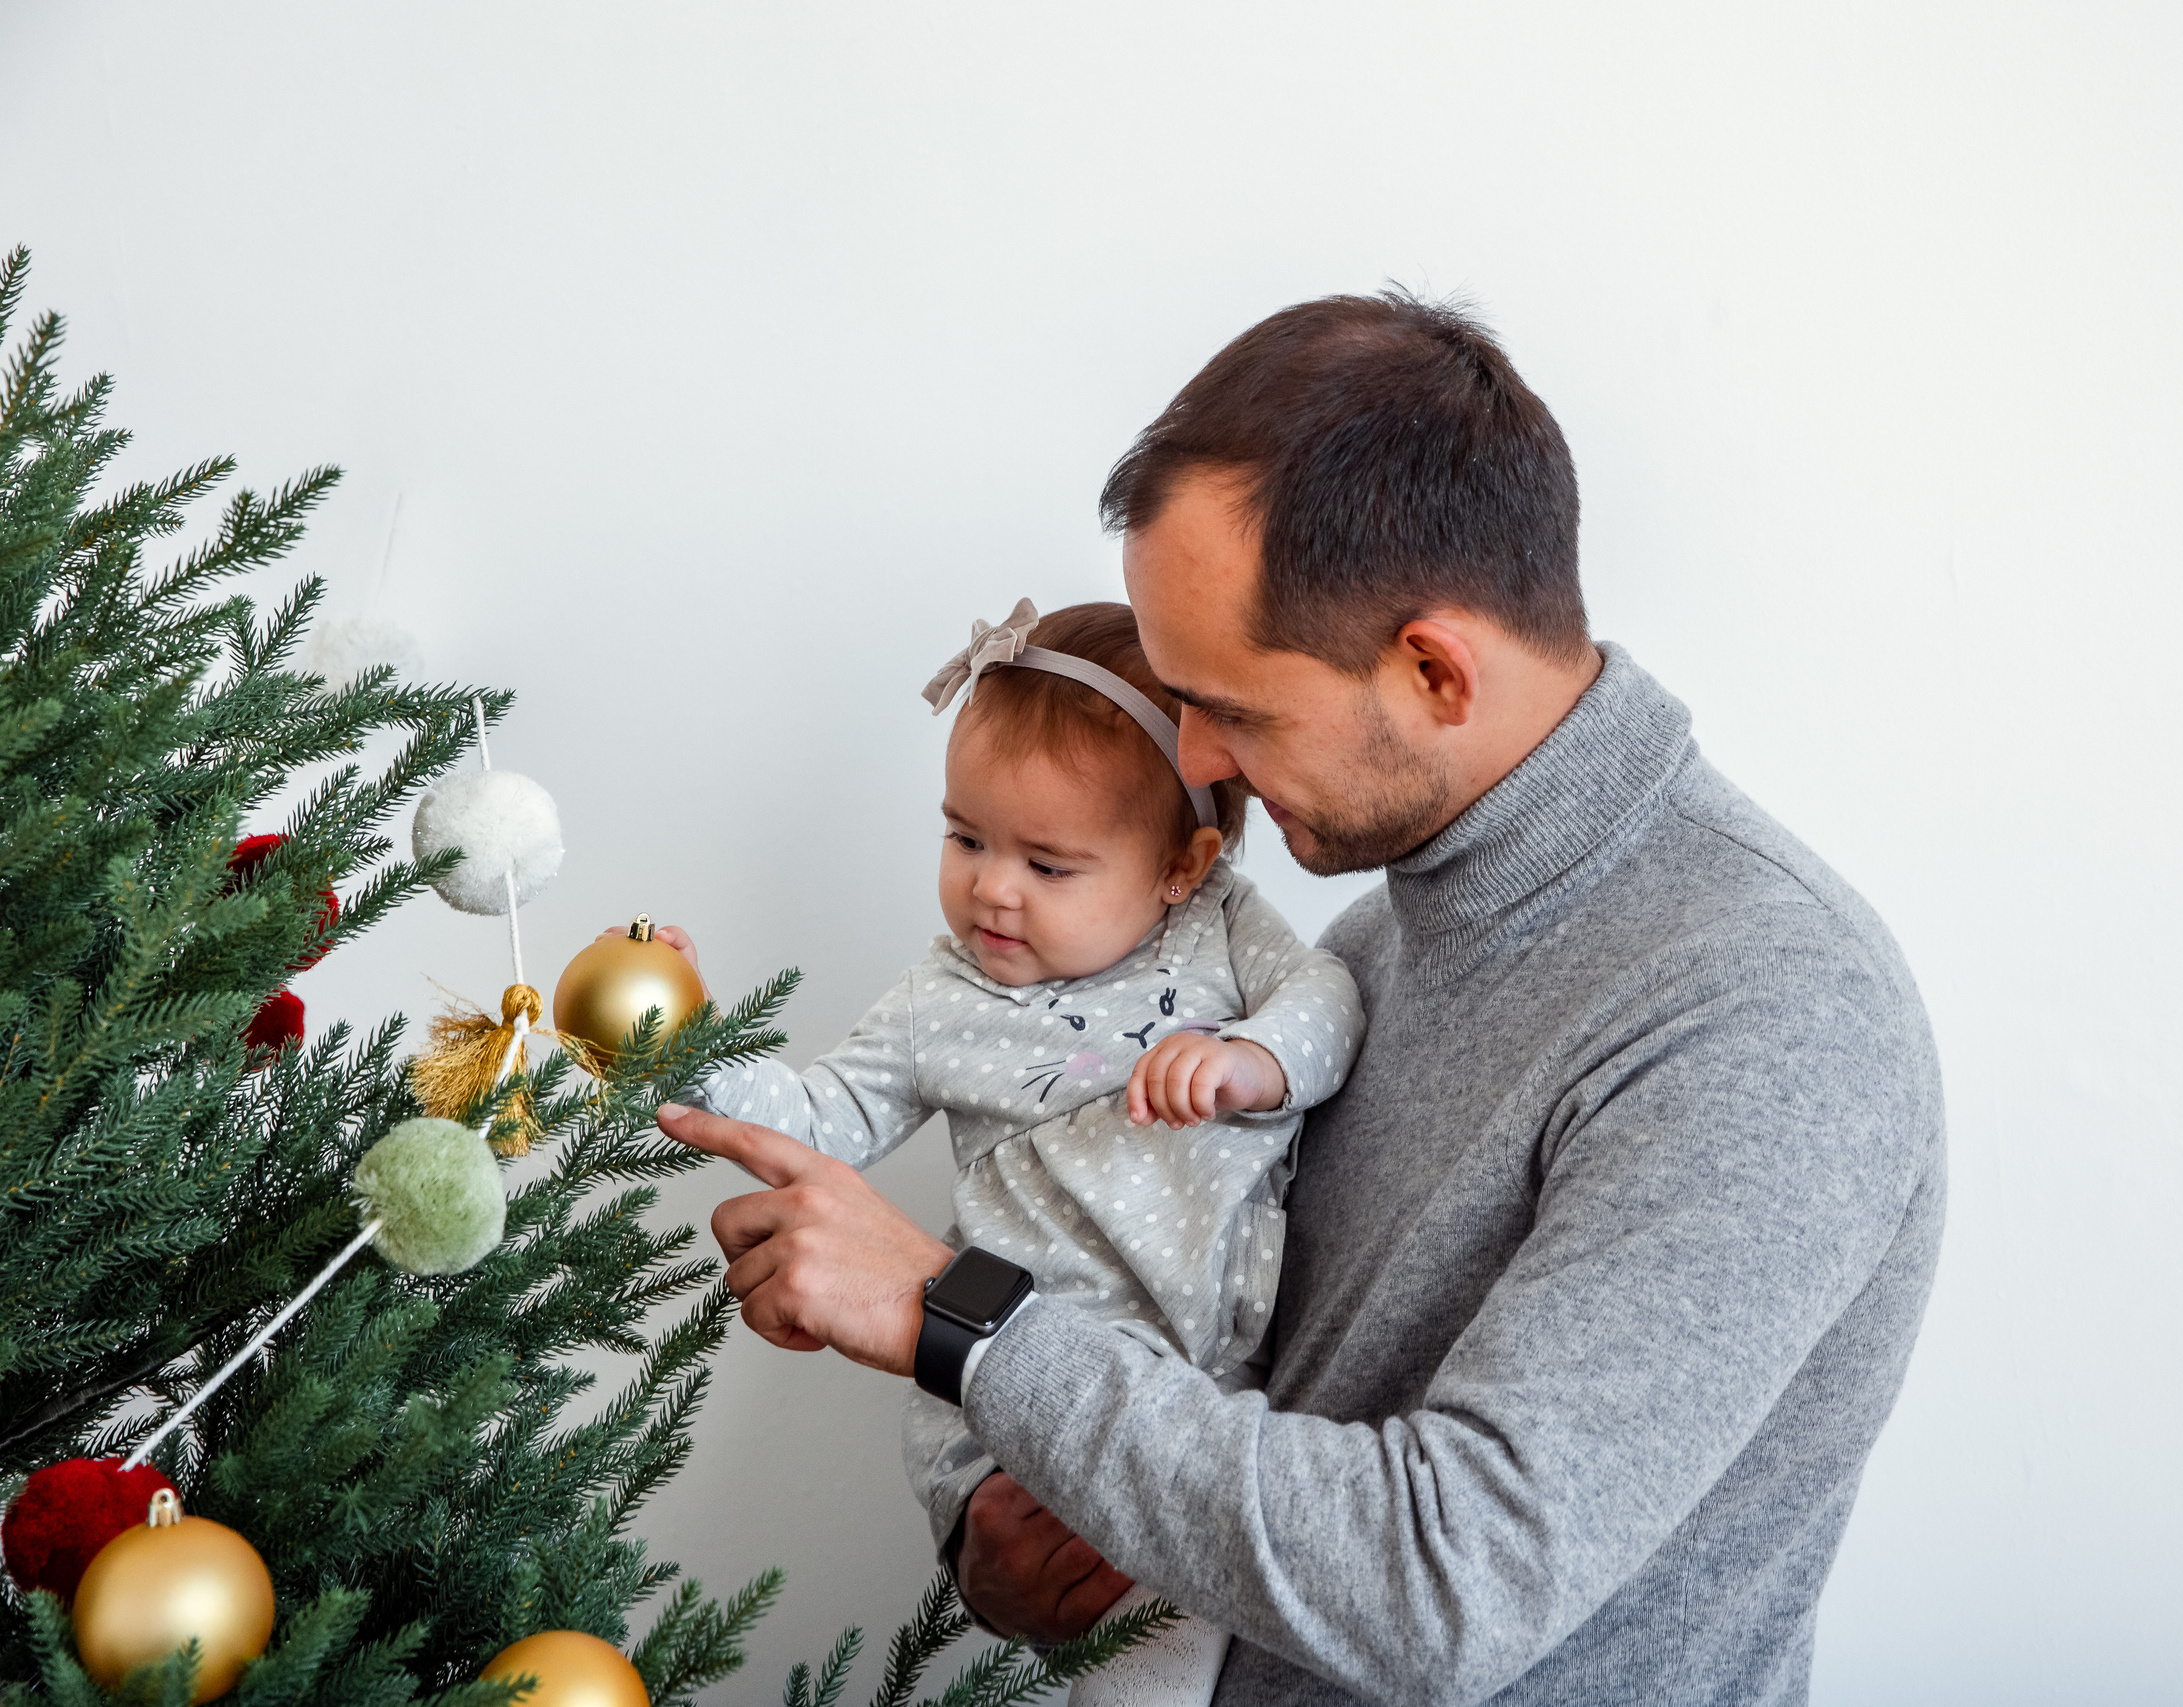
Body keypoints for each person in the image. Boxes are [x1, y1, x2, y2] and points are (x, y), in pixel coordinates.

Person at [660, 290, 1947, 1706]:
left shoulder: (1765, 1007)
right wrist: (1018, 1551)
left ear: (1434, 668)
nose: (1192, 750)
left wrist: (956, 1311)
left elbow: (1443, 1583)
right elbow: (1226, 1427)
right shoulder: (1370, 945)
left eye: (1236, 707)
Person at [647, 599, 1365, 1707]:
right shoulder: (946, 996)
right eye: (966, 837)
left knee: (1224, 1604)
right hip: (1009, 1391)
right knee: (1132, 1648)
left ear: (1183, 864)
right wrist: (683, 1035)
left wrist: (1254, 1064)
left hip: (1203, 1382)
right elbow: (817, 1115)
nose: (991, 887)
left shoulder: (1221, 929)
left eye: (1049, 863)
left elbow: (1328, 995)